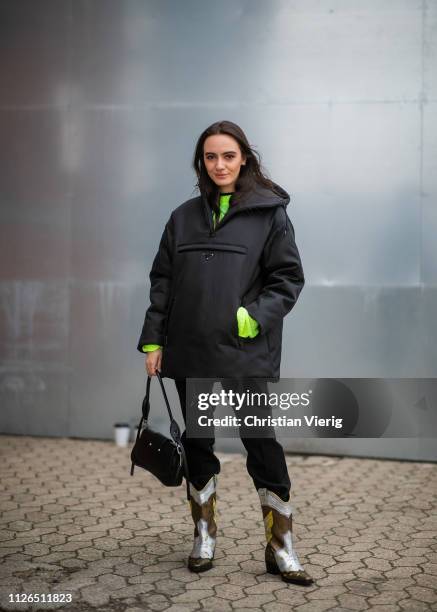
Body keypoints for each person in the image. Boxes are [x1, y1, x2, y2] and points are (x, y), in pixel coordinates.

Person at [137, 120, 312, 586]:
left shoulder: (270, 214)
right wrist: (154, 339)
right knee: (197, 441)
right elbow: (163, 281)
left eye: (228, 156)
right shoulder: (182, 216)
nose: (219, 165)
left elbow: (288, 279)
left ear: (245, 159)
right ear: (202, 162)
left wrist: (254, 315)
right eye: (211, 157)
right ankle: (203, 534)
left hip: (244, 350)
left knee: (261, 443)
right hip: (190, 348)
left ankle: (281, 547)